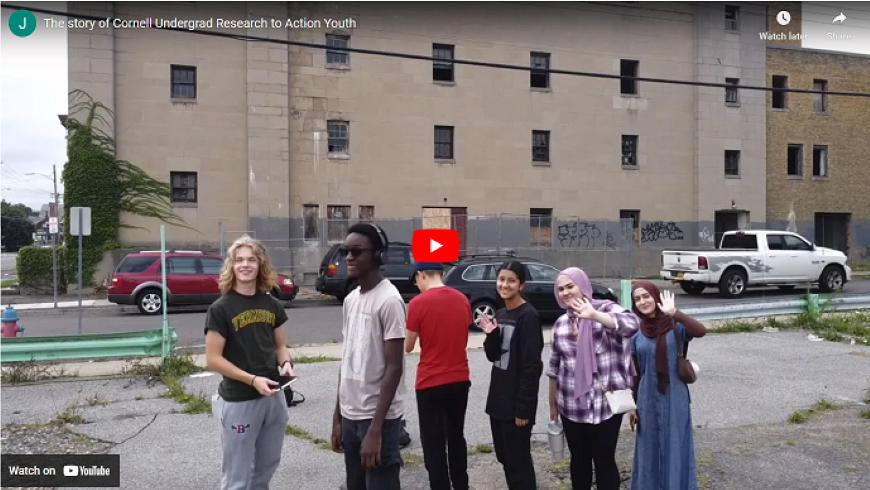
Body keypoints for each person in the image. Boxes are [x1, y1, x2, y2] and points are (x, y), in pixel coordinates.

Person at [204, 235, 293, 490]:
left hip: (273, 396)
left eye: (251, 259)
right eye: (239, 260)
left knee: (265, 469)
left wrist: (286, 363)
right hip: (239, 399)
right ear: (231, 266)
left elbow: (279, 346)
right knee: (237, 478)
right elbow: (213, 359)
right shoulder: (220, 309)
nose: (245, 265)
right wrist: (252, 380)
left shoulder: (272, 304)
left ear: (260, 264)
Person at [547, 267, 640, 490]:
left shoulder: (605, 309)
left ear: (583, 285)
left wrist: (594, 316)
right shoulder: (560, 324)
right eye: (560, 289)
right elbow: (554, 367)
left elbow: (633, 325)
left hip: (605, 405)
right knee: (579, 461)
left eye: (570, 286)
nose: (565, 292)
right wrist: (552, 405)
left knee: (604, 459)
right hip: (571, 405)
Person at [331, 223, 407, 490]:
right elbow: (347, 358)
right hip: (350, 415)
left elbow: (394, 368)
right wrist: (337, 418)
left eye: (356, 251)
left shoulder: (390, 301)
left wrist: (376, 431)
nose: (349, 257)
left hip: (378, 419)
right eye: (345, 251)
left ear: (377, 255)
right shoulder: (350, 300)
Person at [629, 280, 707, 490]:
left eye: (646, 296)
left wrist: (675, 313)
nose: (643, 302)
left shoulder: (676, 326)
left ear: (655, 297)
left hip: (675, 395)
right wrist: (633, 405)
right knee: (648, 448)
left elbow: (700, 330)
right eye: (637, 299)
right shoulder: (637, 335)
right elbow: (636, 374)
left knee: (675, 444)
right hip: (647, 398)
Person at [405, 262, 473, 490]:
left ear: (421, 275)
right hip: (459, 377)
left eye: (416, 281)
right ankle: (461, 484)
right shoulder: (462, 299)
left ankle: (440, 485)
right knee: (456, 435)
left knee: (433, 442)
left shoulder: (417, 304)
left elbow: (408, 345)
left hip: (430, 381)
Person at [479, 261, 544, 490]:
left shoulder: (528, 316)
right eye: (501, 279)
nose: (504, 285)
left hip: (516, 407)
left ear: (521, 285)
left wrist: (524, 409)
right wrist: (491, 334)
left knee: (519, 464)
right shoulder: (501, 312)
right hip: (498, 402)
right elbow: (492, 356)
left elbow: (532, 366)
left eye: (511, 280)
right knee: (505, 458)